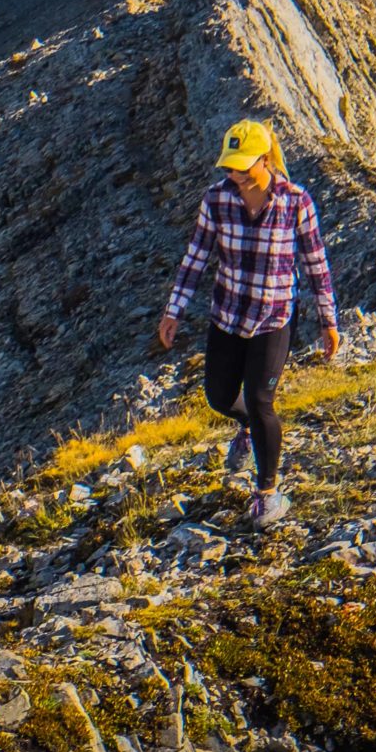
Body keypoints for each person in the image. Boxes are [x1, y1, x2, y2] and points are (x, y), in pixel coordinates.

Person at [156, 118, 339, 527]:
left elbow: (316, 264)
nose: (233, 174)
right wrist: (174, 311)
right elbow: (196, 257)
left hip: (273, 320)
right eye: (229, 166)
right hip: (226, 316)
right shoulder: (216, 200)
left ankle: (267, 493)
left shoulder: (296, 201)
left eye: (241, 166)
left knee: (261, 401)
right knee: (219, 397)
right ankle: (246, 428)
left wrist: (329, 321)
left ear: (264, 159)